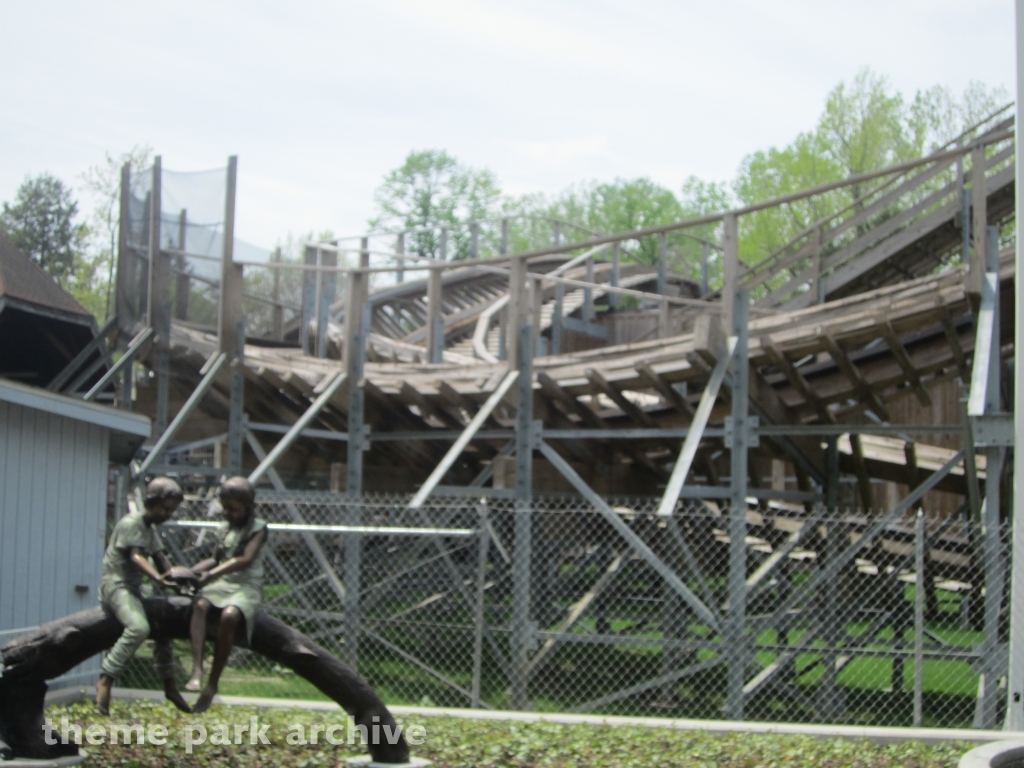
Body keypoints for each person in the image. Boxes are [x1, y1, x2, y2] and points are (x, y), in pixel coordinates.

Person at [95, 477, 191, 715]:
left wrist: (176, 579)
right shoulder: (132, 523)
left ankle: (169, 685)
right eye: (166, 508)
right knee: (139, 628)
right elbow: (136, 557)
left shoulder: (150, 529)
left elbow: (161, 559)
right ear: (152, 502)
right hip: (116, 586)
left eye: (172, 510)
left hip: (134, 591)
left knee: (164, 625)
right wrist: (158, 579)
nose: (168, 514)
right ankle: (106, 679)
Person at [186, 477, 268, 713]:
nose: (229, 513)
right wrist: (191, 572)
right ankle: (197, 669)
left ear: (247, 506)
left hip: (245, 585)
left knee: (230, 616)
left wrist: (211, 575)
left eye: (234, 509)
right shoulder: (224, 529)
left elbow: (244, 559)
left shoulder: (259, 528)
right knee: (200, 605)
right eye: (226, 508)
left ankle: (213, 683)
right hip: (222, 583)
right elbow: (216, 558)